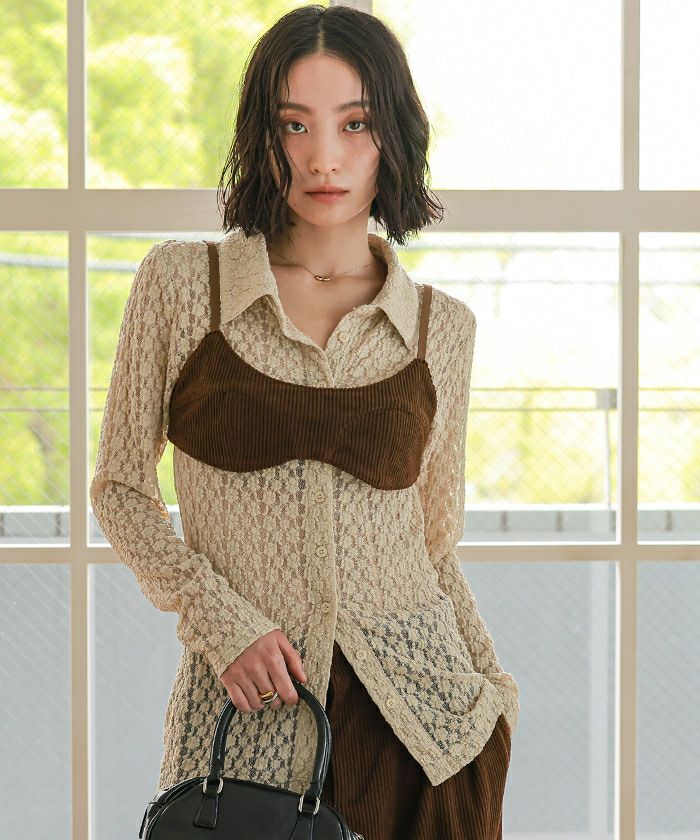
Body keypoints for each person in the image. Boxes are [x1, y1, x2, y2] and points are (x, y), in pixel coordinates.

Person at [90, 5, 519, 839]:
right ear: (264, 136)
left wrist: (495, 696)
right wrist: (224, 624)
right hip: (249, 731)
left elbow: (433, 542)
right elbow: (121, 491)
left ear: (392, 136)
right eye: (296, 124)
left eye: (354, 123)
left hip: (429, 738)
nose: (324, 157)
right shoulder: (184, 288)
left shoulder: (441, 329)